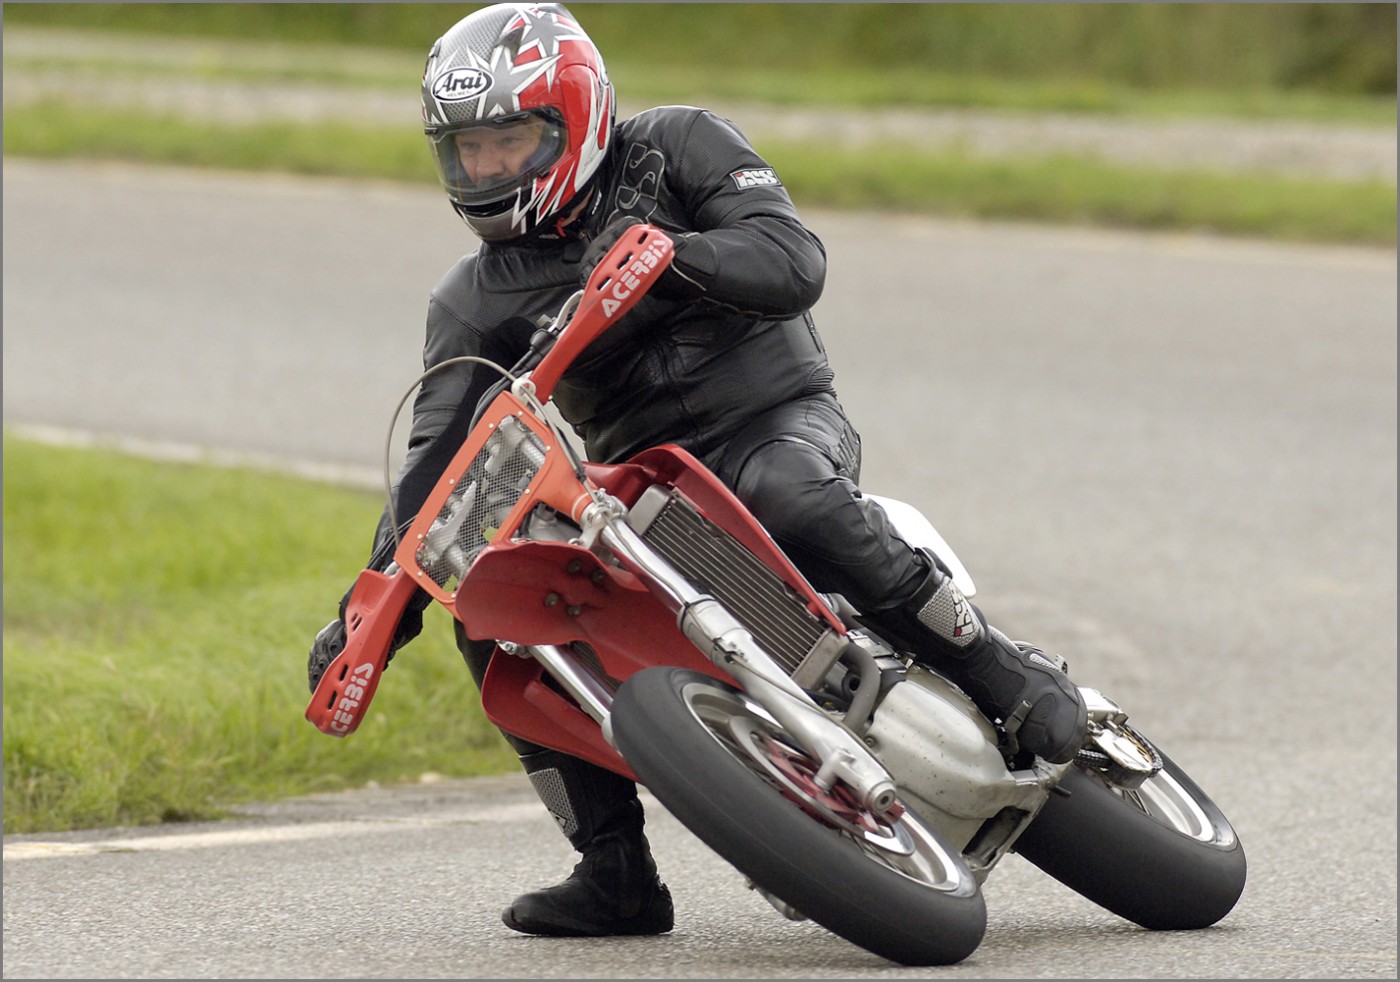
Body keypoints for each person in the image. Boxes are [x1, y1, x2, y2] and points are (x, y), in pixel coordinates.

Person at [307, 1, 1088, 939]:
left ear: (575, 117)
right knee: (491, 602)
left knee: (783, 492)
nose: (488, 169)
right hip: (642, 490)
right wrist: (371, 614)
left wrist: (674, 259)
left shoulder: (676, 147)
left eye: (510, 141)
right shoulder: (471, 299)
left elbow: (794, 259)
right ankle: (614, 871)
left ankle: (999, 673)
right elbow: (438, 462)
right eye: (467, 150)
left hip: (776, 419)